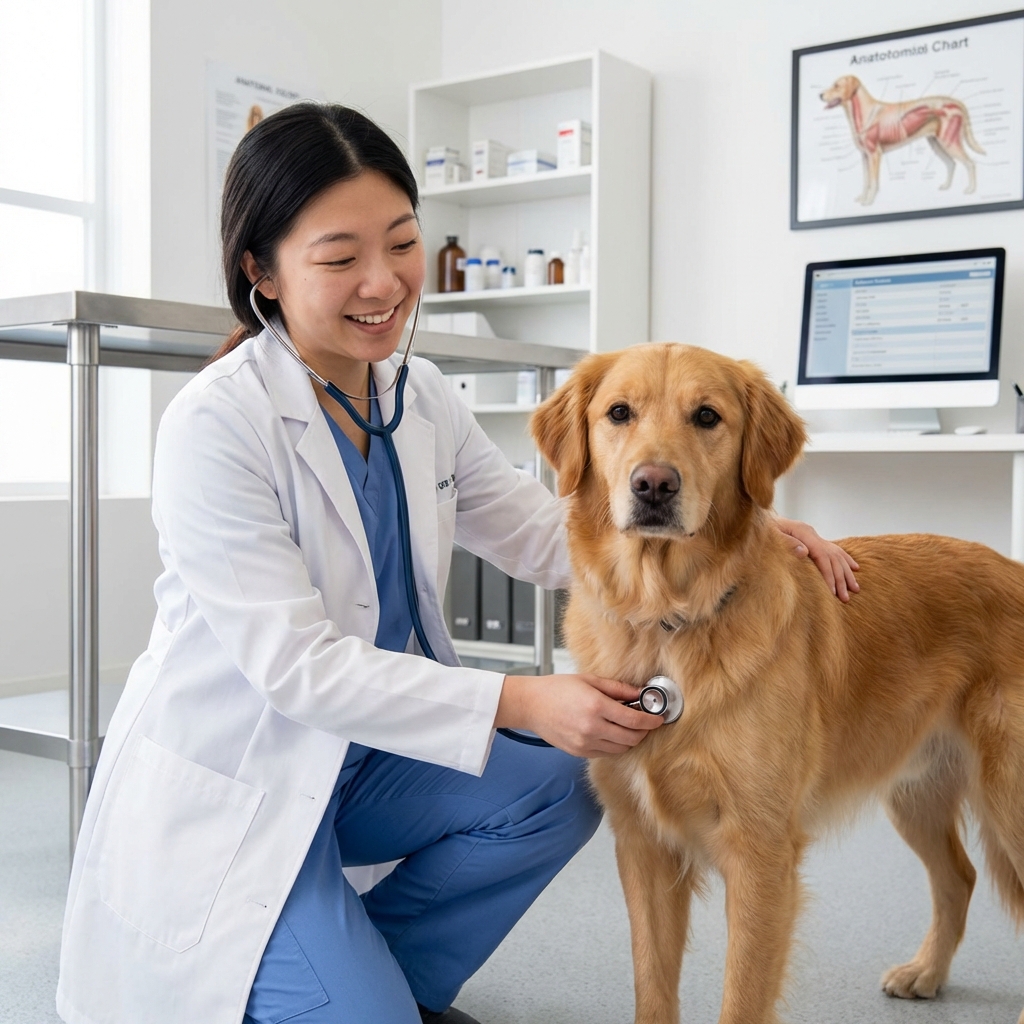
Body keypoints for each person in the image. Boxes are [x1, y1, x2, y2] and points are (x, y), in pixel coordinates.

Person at [56, 104, 859, 1024]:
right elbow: (298, 670)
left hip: (368, 760)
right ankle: (319, 977)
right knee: (529, 770)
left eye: (400, 243)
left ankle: (366, 974)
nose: (382, 281)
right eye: (338, 257)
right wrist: (521, 698)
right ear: (261, 273)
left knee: (560, 786)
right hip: (245, 783)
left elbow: (542, 530)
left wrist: (736, 530)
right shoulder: (214, 425)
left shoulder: (417, 395)